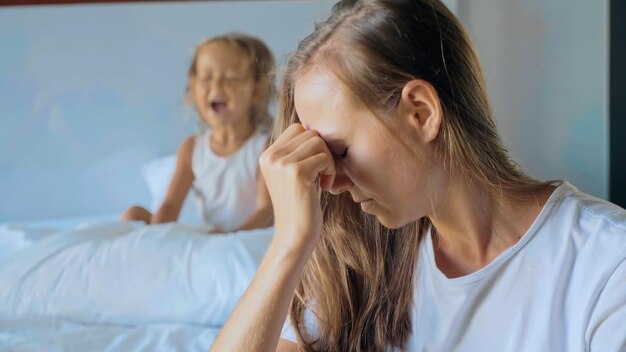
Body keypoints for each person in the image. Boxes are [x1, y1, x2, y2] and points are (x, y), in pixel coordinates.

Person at [211, 0, 626, 351]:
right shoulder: (363, 260)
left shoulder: (606, 265)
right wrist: (288, 244)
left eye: (339, 151)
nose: (331, 182)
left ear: (421, 113)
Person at [121, 33, 274, 233]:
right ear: (193, 87)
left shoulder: (264, 147)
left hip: (247, 234)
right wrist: (155, 232)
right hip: (210, 236)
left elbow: (267, 211)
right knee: (133, 214)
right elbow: (170, 206)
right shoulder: (192, 148)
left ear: (256, 90)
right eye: (206, 78)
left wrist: (232, 236)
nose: (216, 86)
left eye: (231, 78)